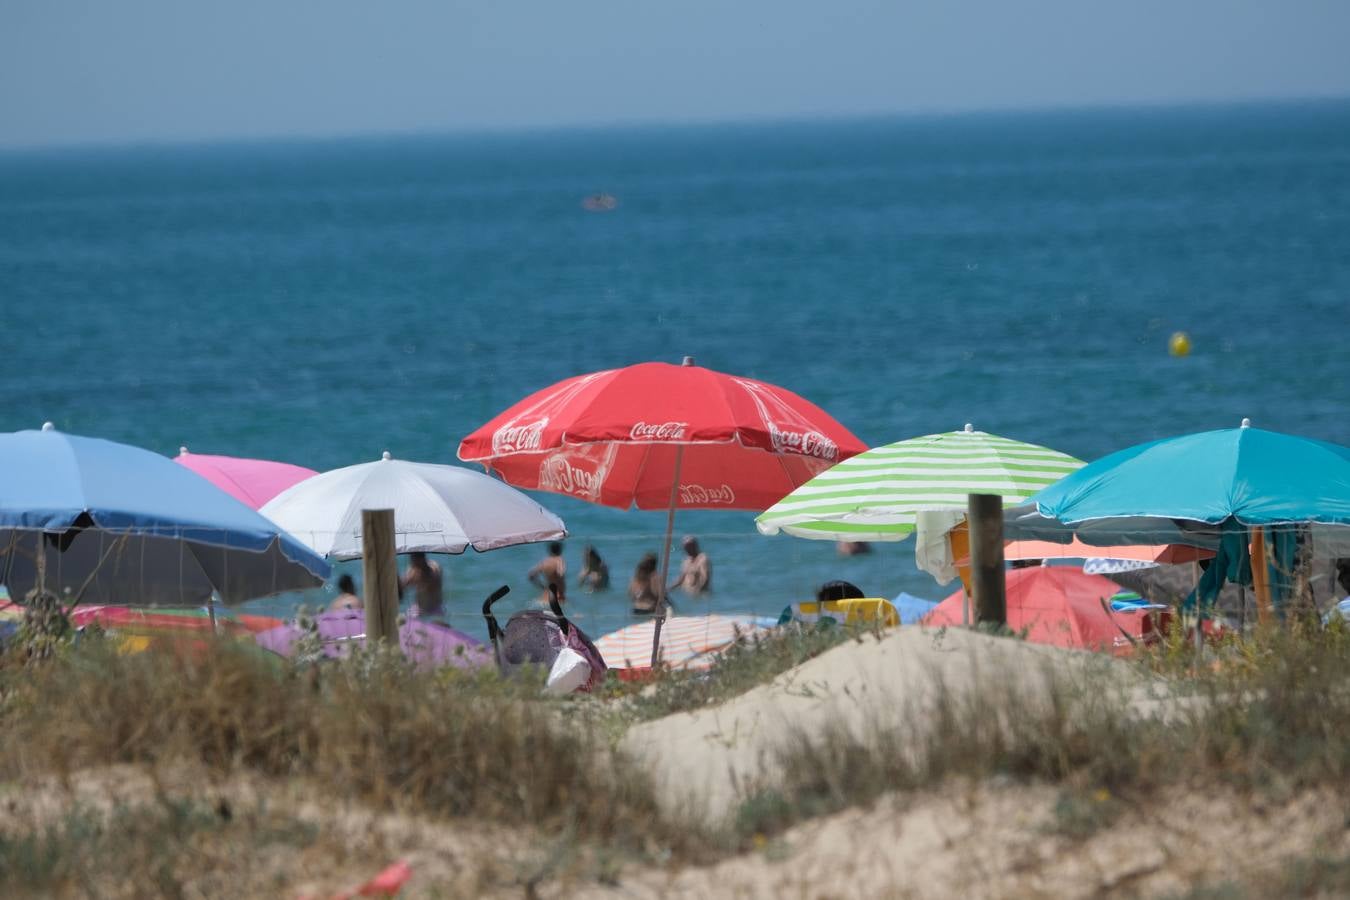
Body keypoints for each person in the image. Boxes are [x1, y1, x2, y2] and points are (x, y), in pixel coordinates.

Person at [400, 551, 444, 617]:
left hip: (435, 607)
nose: (415, 564)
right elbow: (404, 584)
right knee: (404, 619)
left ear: (422, 559)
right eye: (413, 562)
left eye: (416, 562)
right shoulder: (413, 568)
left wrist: (419, 579)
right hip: (419, 608)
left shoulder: (434, 567)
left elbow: (432, 585)